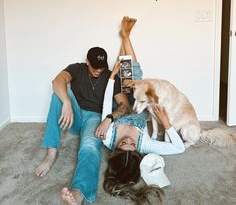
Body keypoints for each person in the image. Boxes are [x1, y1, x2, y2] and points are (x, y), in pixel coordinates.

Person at [95, 16, 185, 204]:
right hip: (137, 104)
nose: (128, 141)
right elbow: (179, 148)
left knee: (121, 74)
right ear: (138, 152)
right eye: (132, 145)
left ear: (114, 150)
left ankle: (125, 37)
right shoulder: (146, 145)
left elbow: (105, 105)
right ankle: (126, 37)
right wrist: (167, 124)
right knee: (138, 79)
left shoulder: (106, 136)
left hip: (118, 105)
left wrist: (111, 77)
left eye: (123, 144)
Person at [35, 45, 130, 205]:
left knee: (89, 148)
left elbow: (125, 105)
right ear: (87, 62)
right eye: (95, 66)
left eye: (102, 67)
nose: (99, 70)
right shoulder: (77, 69)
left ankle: (78, 193)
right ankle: (51, 154)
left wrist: (109, 118)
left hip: (95, 119)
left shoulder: (110, 77)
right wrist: (66, 102)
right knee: (57, 95)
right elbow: (57, 81)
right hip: (74, 115)